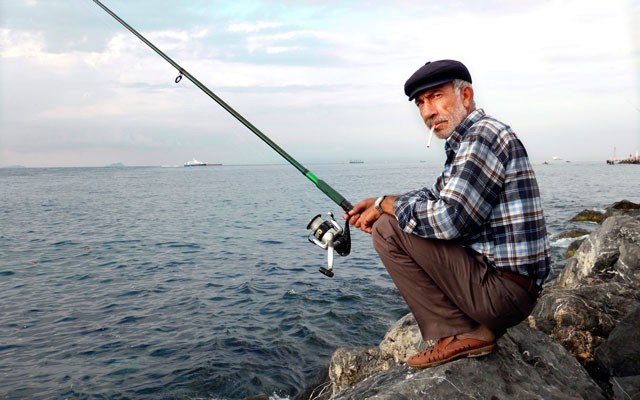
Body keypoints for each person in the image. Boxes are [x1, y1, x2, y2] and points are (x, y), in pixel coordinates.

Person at [344, 59, 550, 368]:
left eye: (436, 96)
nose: (427, 112)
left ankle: (463, 332)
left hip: (503, 295)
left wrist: (386, 208)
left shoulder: (482, 137)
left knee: (388, 229)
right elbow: (437, 196)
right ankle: (465, 327)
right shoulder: (469, 139)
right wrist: (379, 202)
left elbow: (451, 218)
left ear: (465, 96)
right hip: (512, 289)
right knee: (389, 218)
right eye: (421, 103)